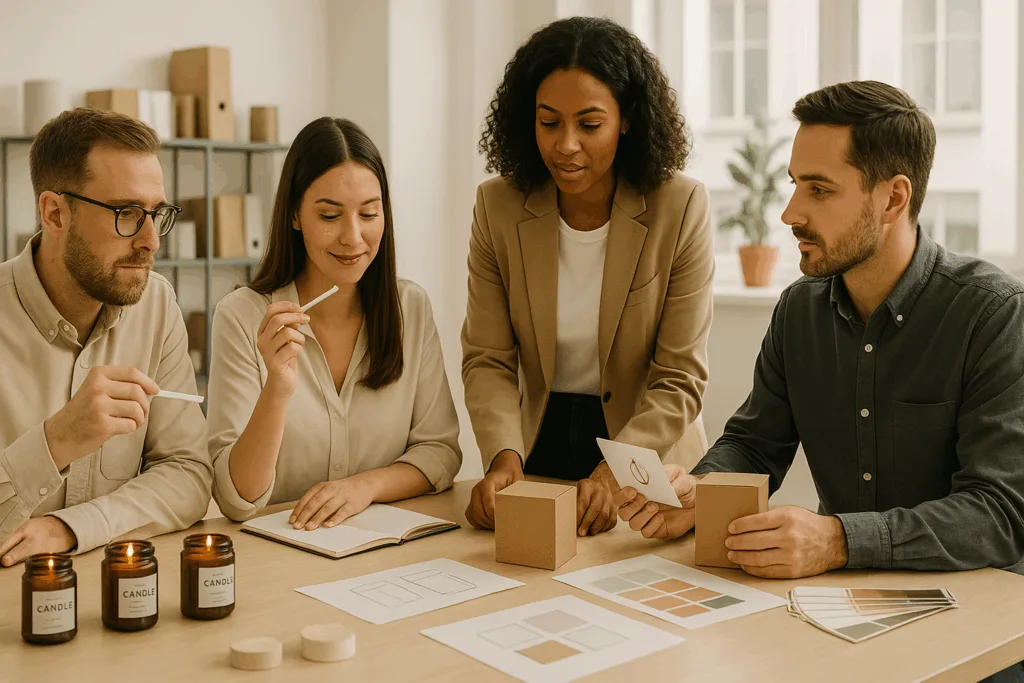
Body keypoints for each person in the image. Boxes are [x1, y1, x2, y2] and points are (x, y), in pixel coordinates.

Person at [616, 80, 1024, 582]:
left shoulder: (994, 314)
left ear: (893, 199)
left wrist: (837, 540)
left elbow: (999, 514)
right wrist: (702, 489)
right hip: (839, 601)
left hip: (978, 608)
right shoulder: (799, 311)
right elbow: (755, 443)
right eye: (794, 184)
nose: (790, 214)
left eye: (819, 189)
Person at [462, 16, 714, 536]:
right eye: (549, 122)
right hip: (539, 443)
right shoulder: (497, 206)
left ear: (626, 120)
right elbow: (487, 358)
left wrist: (614, 468)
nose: (566, 145)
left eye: (590, 124)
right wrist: (502, 457)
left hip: (647, 453)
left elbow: (679, 377)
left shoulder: (680, 205)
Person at [208, 117, 462, 527]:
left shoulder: (409, 308)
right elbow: (239, 499)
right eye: (329, 216)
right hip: (280, 560)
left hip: (386, 554)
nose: (353, 237)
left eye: (368, 213)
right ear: (294, 215)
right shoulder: (242, 316)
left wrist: (365, 487)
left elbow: (440, 452)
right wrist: (278, 387)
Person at [0, 108, 212, 566]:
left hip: (121, 593)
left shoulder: (156, 305)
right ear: (55, 213)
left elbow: (189, 474)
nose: (152, 240)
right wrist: (56, 440)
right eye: (127, 213)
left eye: (157, 213)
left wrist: (73, 528)